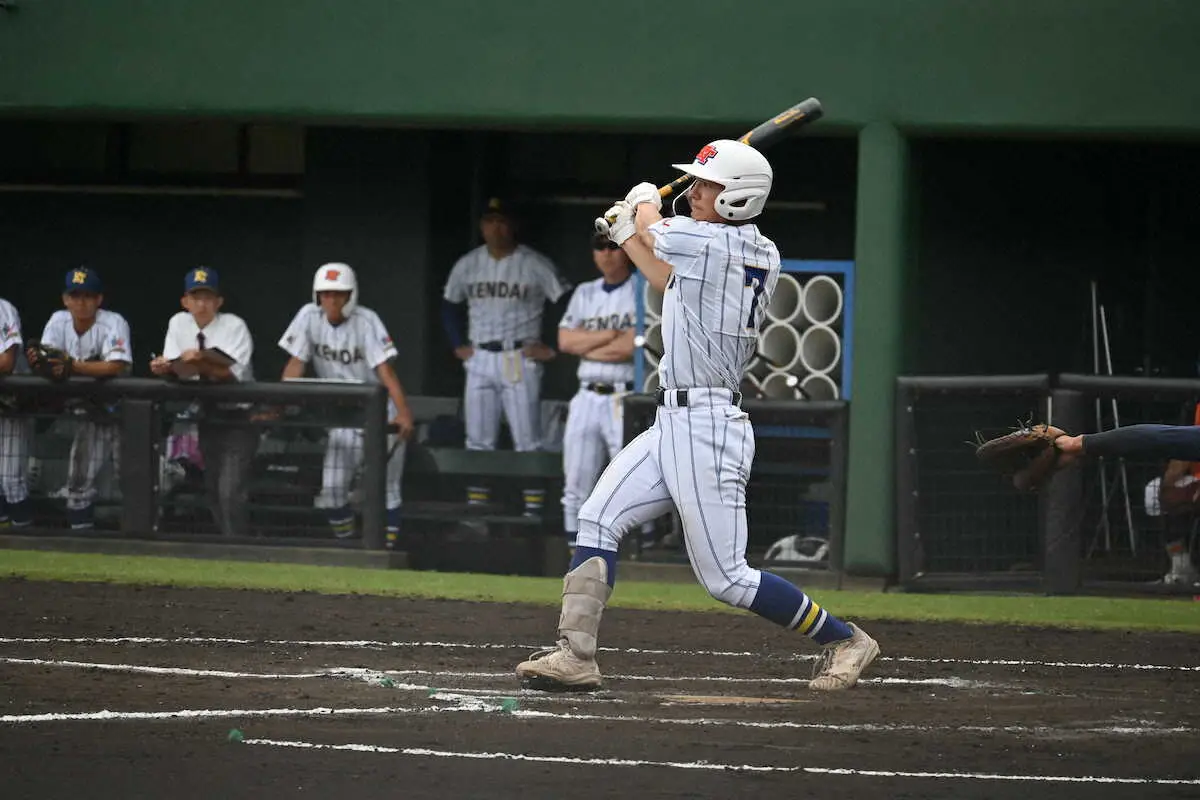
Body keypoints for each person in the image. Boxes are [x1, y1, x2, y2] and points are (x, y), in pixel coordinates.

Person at [516, 141, 880, 693]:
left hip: (709, 428)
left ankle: (844, 638)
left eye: (707, 186)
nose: (693, 192)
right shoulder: (740, 248)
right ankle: (576, 656)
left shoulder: (714, 241)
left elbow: (654, 227)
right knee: (597, 518)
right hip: (672, 421)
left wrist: (638, 207)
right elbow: (665, 279)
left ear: (738, 200)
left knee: (727, 579)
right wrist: (628, 233)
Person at [276, 263, 415, 549]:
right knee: (332, 490)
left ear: (351, 295)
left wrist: (403, 413)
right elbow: (295, 364)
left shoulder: (367, 320)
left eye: (338, 294)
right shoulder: (308, 316)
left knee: (387, 489)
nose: (332, 300)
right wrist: (280, 403)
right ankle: (349, 546)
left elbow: (385, 371)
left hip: (378, 411)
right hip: (343, 415)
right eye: (326, 294)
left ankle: (383, 556)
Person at [441, 197, 570, 464]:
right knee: (477, 440)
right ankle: (477, 503)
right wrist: (457, 344)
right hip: (480, 355)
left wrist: (553, 347)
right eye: (489, 222)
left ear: (513, 225)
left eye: (501, 221)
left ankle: (531, 505)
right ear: (481, 226)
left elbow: (568, 303)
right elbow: (449, 305)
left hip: (520, 356)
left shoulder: (535, 263)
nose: (495, 228)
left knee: (528, 440)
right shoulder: (468, 264)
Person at [150, 267, 256, 537]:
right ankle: (228, 547)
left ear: (218, 302)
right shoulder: (178, 323)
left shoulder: (234, 325)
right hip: (207, 415)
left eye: (208, 297)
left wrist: (201, 362)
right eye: (196, 297)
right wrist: (165, 368)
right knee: (213, 489)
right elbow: (178, 369)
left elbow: (231, 376)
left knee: (230, 491)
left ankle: (240, 549)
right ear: (185, 301)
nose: (202, 303)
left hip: (239, 416)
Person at [32, 268, 131, 530]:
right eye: (75, 296)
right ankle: (82, 542)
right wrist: (47, 366)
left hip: (124, 414)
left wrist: (71, 366)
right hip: (91, 413)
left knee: (132, 483)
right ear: (65, 299)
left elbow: (115, 366)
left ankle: (143, 545)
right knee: (77, 485)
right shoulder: (58, 320)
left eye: (88, 296)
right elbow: (50, 362)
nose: (81, 302)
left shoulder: (113, 322)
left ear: (99, 300)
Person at [557, 234, 637, 549]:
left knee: (628, 481)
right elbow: (565, 342)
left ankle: (629, 550)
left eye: (613, 246)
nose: (606, 253)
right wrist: (609, 336)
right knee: (576, 481)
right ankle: (574, 552)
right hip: (586, 395)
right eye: (599, 247)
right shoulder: (583, 292)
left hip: (624, 396)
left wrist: (588, 344)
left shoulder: (641, 288)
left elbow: (631, 347)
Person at [0, 296, 32, 528]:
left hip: (11, 402)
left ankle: (26, 539)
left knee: (12, 479)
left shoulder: (3, 308)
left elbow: (6, 362)